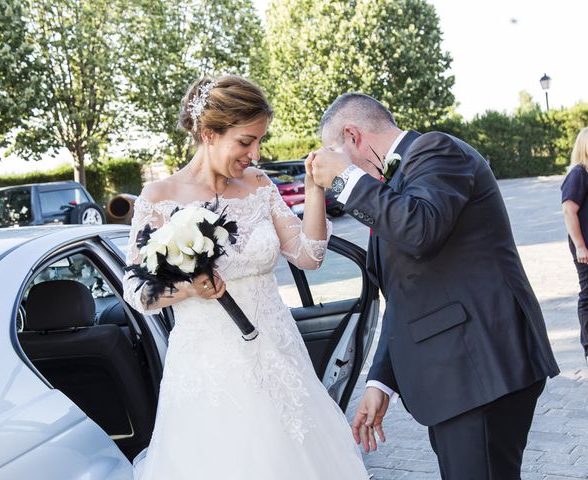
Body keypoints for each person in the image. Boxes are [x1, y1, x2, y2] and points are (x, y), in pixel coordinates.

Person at [122, 75, 369, 480]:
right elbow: (138, 293)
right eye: (245, 141)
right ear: (208, 134)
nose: (255, 153)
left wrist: (313, 188)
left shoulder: (258, 185)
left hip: (280, 357)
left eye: (259, 141)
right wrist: (190, 287)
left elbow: (310, 256)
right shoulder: (159, 198)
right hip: (211, 373)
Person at [308, 92, 560, 480]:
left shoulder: (434, 149)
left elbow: (421, 229)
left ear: (352, 136)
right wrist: (380, 382)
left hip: (482, 368)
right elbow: (404, 294)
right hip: (458, 379)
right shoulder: (393, 187)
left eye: (335, 153)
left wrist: (347, 178)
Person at [561, 127, 588, 363]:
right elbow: (569, 210)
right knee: (587, 294)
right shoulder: (579, 173)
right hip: (585, 248)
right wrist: (580, 246)